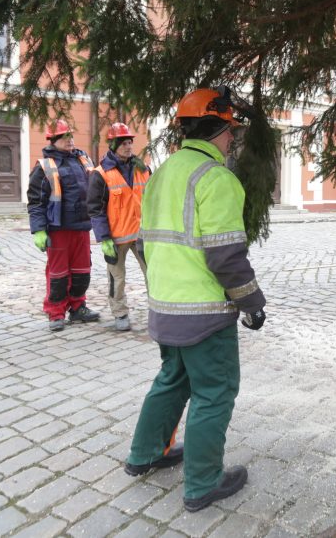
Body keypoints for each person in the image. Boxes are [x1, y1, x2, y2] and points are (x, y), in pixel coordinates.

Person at [124, 87, 266, 513]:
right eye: (231, 133)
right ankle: (203, 484)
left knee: (173, 379)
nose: (232, 141)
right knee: (214, 392)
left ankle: (144, 455)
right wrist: (251, 302)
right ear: (222, 131)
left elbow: (149, 243)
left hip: (165, 306)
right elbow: (226, 255)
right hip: (204, 313)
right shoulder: (216, 178)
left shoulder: (163, 173)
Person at [27, 119, 101, 331]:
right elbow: (35, 201)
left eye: (71, 136)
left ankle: (78, 307)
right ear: (53, 140)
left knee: (82, 270)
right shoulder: (44, 166)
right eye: (64, 137)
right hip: (58, 229)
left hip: (81, 227)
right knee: (58, 274)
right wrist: (39, 229)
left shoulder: (83, 160)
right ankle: (55, 312)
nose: (70, 141)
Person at [87, 122, 151, 331]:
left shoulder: (143, 168)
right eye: (123, 142)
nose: (128, 146)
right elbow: (95, 208)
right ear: (113, 145)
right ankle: (120, 313)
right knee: (117, 277)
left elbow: (152, 198)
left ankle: (159, 309)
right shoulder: (100, 173)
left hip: (143, 234)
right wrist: (104, 238)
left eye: (130, 142)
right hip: (116, 236)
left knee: (153, 272)